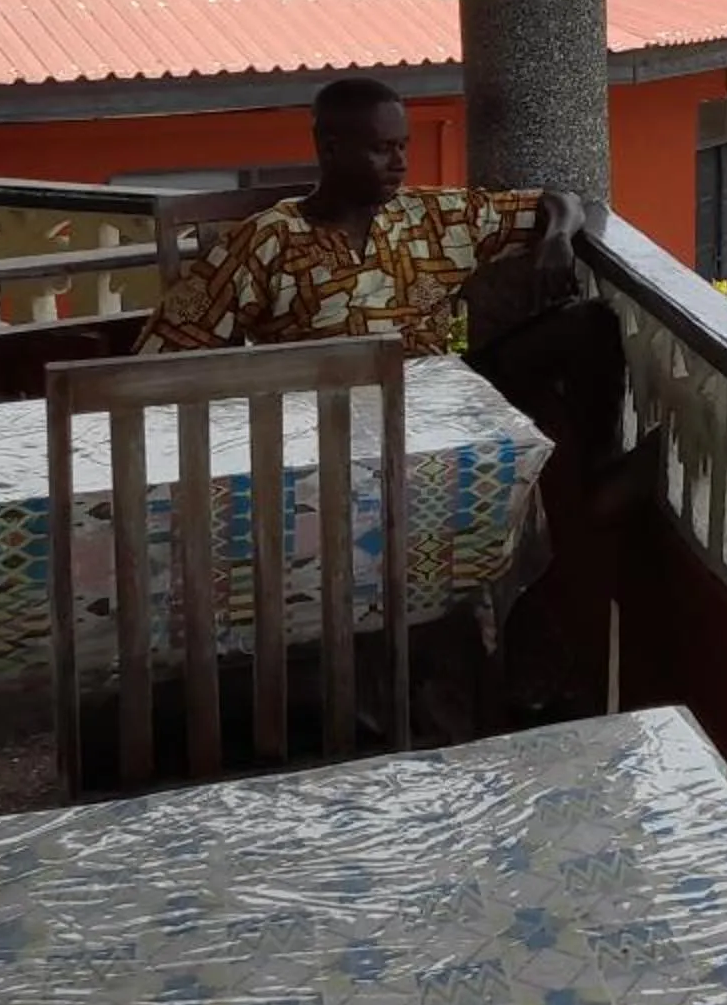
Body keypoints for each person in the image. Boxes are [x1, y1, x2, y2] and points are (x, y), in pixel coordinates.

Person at [142, 77, 631, 708]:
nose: (400, 162)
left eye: (402, 147)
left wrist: (559, 236)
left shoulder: (430, 217)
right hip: (326, 431)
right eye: (381, 150)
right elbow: (165, 350)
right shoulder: (270, 241)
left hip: (442, 401)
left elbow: (561, 201)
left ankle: (592, 483)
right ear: (329, 147)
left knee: (587, 325)